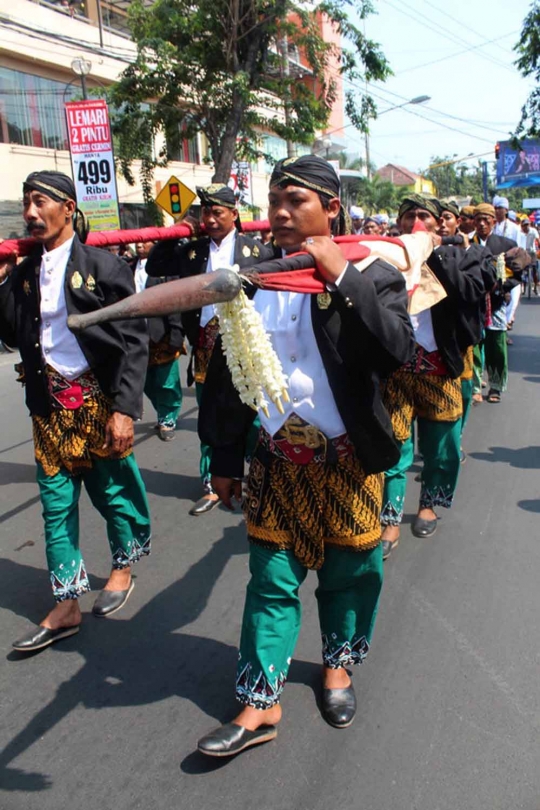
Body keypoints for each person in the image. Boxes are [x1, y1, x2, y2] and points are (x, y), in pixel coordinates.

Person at [195, 154, 414, 757]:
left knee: (350, 575)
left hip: (346, 461)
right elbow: (227, 371)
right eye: (274, 201)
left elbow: (395, 352)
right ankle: (260, 701)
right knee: (270, 580)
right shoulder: (253, 276)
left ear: (331, 208)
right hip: (274, 460)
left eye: (297, 200)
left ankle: (337, 668)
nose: (282, 212)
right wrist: (223, 456)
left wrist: (343, 277)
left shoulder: (373, 273)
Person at [0, 171, 151, 652]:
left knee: (110, 494)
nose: (30, 213)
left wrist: (124, 410)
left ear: (68, 207)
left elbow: (133, 342)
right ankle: (66, 603)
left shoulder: (104, 268)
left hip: (96, 403)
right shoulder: (23, 273)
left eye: (39, 201)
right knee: (55, 504)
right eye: (26, 203)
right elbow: (9, 333)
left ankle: (122, 568)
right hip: (47, 406)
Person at [146, 183, 273, 514]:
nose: (211, 219)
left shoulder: (256, 251)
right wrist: (176, 232)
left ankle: (254, 473)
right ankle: (210, 482)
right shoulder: (193, 251)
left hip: (244, 346)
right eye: (206, 212)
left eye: (218, 212)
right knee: (209, 415)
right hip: (205, 346)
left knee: (254, 416)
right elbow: (154, 266)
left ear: (234, 214)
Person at [380, 193, 485, 560]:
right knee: (393, 446)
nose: (414, 224)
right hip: (395, 370)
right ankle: (389, 519)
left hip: (440, 370)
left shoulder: (460, 255)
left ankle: (428, 505)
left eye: (423, 216)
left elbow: (472, 292)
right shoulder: (384, 257)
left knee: (442, 448)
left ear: (438, 222)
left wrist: (435, 255)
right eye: (408, 216)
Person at [132, 241, 184, 442]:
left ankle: (168, 418)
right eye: (138, 241)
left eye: (146, 241)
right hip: (136, 336)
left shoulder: (164, 270)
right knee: (145, 382)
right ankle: (163, 410)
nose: (140, 245)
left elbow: (175, 302)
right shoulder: (127, 267)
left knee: (167, 381)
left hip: (161, 333)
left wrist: (176, 334)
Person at [470, 203, 520, 402]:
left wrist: (501, 288)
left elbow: (518, 272)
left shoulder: (505, 244)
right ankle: (474, 386)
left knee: (496, 345)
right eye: (478, 220)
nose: (482, 224)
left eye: (486, 219)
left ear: (493, 221)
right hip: (472, 303)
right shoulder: (467, 244)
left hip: (496, 303)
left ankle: (496, 387)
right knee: (473, 344)